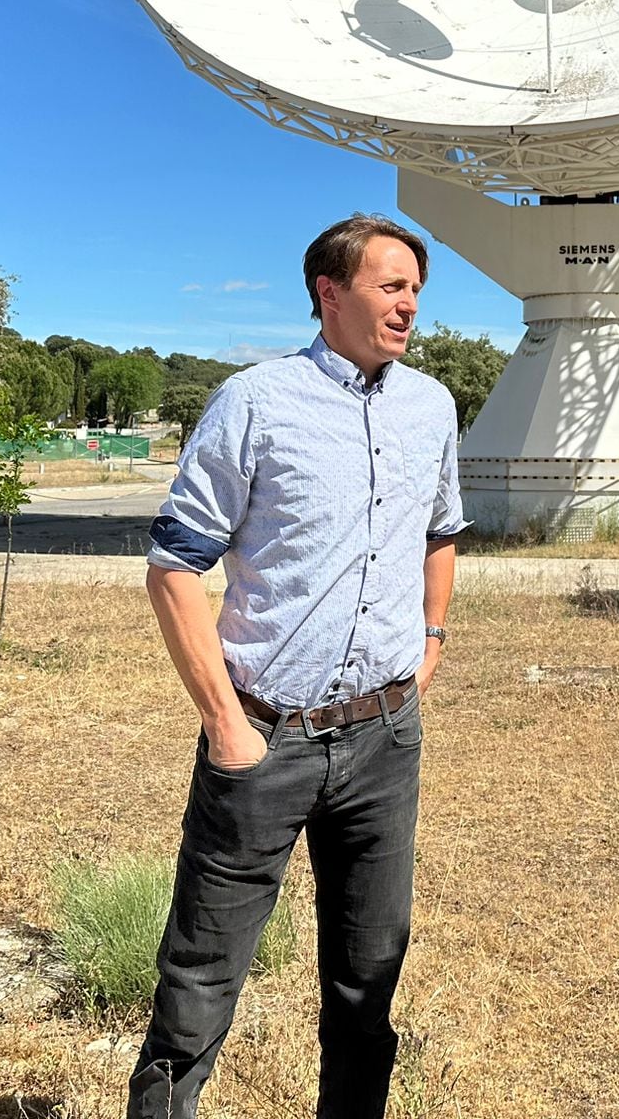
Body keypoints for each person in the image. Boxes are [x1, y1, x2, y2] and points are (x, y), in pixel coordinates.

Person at [129, 214, 466, 1119]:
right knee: (198, 987)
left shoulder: (431, 407)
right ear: (330, 291)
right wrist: (226, 728)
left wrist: (430, 645)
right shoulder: (256, 401)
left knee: (367, 987)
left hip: (386, 743)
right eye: (392, 285)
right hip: (265, 741)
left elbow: (441, 530)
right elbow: (174, 567)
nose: (410, 304)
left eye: (416, 290)